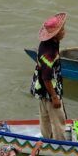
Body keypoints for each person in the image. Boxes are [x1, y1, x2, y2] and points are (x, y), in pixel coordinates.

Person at [31, 12, 67, 140]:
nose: (64, 31)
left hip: (40, 88)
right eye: (62, 29)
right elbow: (46, 78)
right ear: (56, 34)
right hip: (49, 89)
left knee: (45, 117)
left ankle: (47, 140)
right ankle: (61, 145)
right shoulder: (49, 53)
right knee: (58, 121)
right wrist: (54, 97)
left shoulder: (49, 44)